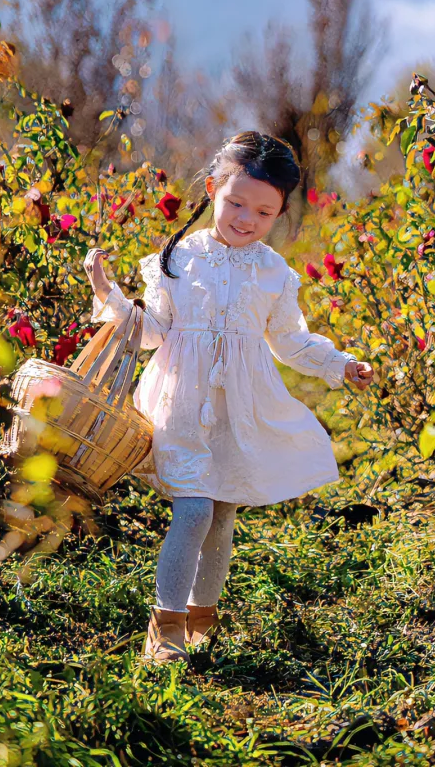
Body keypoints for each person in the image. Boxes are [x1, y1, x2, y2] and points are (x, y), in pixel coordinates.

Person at [84, 131, 374, 664]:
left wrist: (338, 364)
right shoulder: (177, 259)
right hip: (182, 405)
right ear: (213, 188)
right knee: (193, 510)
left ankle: (202, 620)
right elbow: (151, 332)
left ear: (280, 213)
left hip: (237, 411)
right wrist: (110, 295)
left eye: (263, 212)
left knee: (220, 516)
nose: (246, 218)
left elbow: (289, 340)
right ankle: (165, 625)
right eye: (235, 202)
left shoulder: (273, 274)